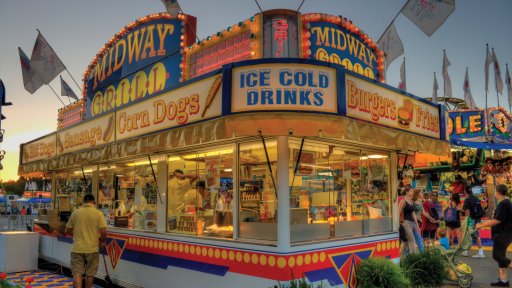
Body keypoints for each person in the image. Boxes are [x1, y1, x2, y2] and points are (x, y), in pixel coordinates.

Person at [65, 194, 107, 288]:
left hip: (77, 248)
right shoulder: (98, 214)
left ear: (83, 202)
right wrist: (103, 242)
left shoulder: (75, 213)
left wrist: (75, 235)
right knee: (90, 273)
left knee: (77, 273)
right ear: (94, 202)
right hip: (92, 248)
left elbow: (68, 230)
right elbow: (103, 231)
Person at [475, 184, 512, 287]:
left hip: (502, 235)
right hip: (503, 235)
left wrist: (481, 225)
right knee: (501, 257)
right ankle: (504, 281)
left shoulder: (504, 204)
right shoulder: (506, 203)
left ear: (498, 192)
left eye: (495, 191)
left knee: (497, 256)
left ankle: (504, 280)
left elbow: (497, 220)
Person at [462, 187, 485, 258]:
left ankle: (480, 252)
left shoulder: (467, 199)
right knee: (472, 234)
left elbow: (467, 211)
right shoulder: (476, 198)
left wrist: (466, 219)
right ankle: (466, 250)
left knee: (474, 234)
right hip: (477, 219)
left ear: (465, 192)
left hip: (472, 219)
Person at [399, 187, 421, 258]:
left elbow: (413, 213)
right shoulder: (403, 201)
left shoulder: (411, 201)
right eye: (411, 191)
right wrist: (398, 223)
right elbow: (398, 212)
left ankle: (401, 256)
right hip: (405, 222)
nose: (412, 192)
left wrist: (416, 223)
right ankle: (413, 258)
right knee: (412, 240)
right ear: (407, 192)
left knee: (407, 242)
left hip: (412, 222)